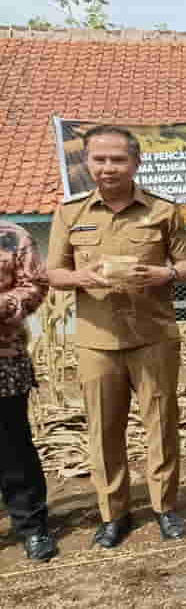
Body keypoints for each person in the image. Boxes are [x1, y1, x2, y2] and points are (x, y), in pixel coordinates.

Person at [46, 125, 186, 548]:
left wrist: (165, 273)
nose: (108, 167)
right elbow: (53, 272)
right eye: (99, 159)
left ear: (136, 163)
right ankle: (115, 514)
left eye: (118, 159)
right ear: (87, 162)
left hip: (154, 336)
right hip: (97, 341)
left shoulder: (163, 211)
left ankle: (165, 507)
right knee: (103, 430)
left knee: (161, 425)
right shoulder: (69, 214)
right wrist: (82, 276)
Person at [0, 222, 57, 561]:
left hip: (4, 361)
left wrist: (4, 305)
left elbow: (34, 286)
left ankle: (32, 528)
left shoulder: (12, 236)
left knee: (12, 449)